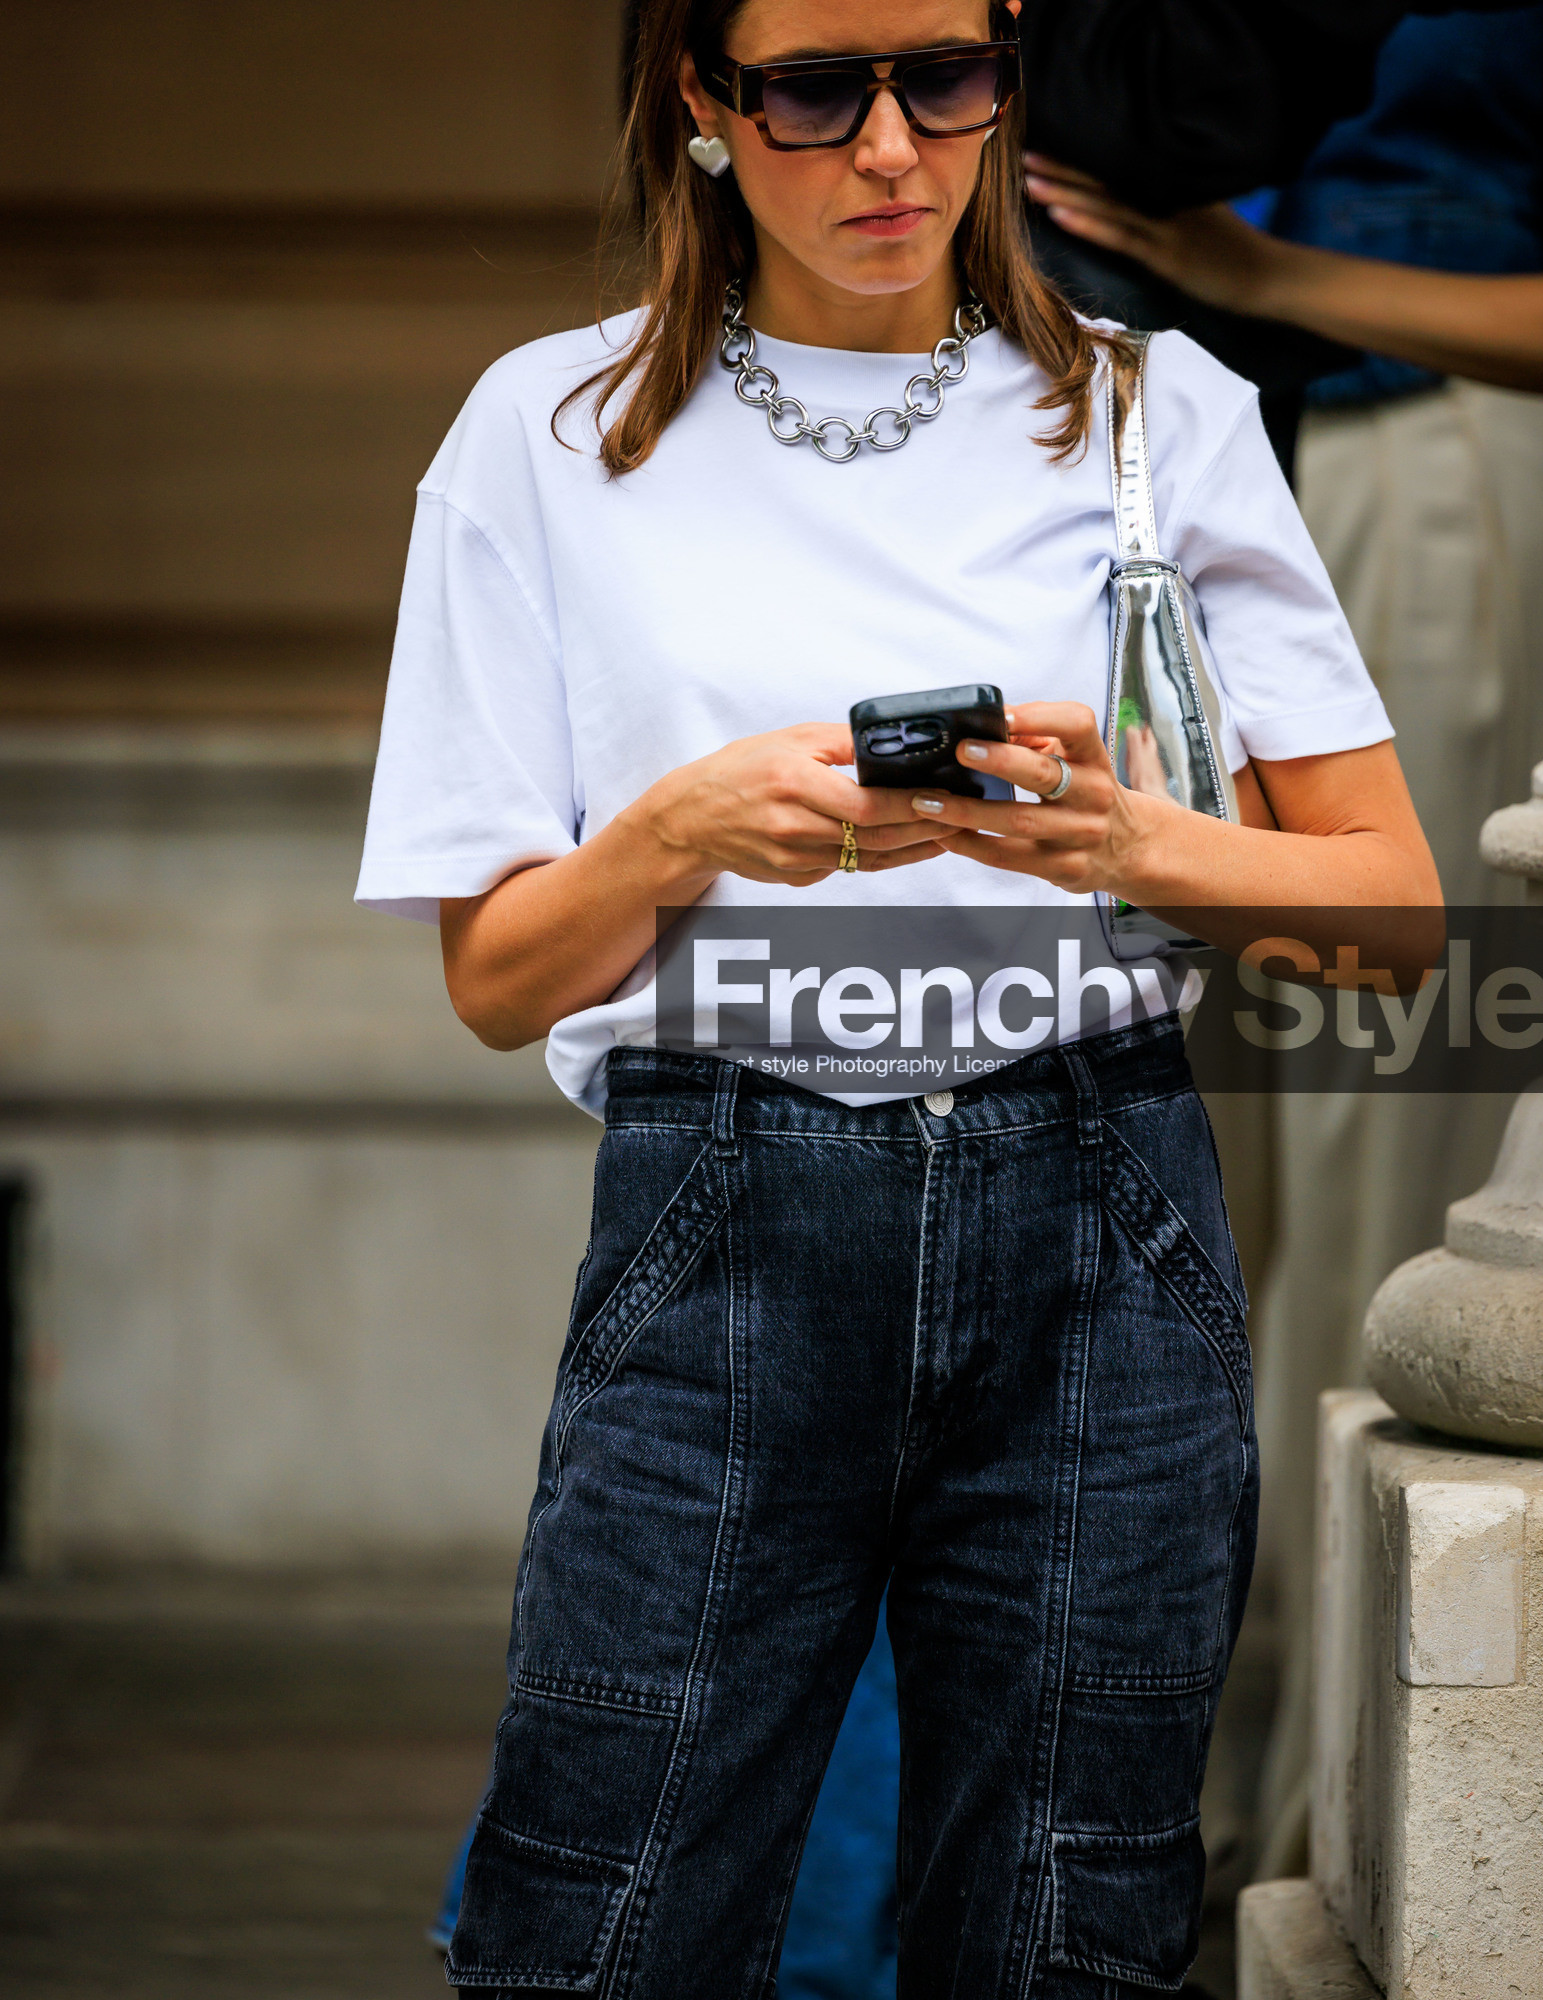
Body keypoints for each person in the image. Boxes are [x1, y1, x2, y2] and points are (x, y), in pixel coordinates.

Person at [356, 2, 1440, 1991]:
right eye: (809, 89)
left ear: (1005, 80)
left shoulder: (1149, 409)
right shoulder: (547, 428)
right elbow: (499, 979)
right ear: (698, 97)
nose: (885, 149)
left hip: (1095, 1204)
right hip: (728, 1207)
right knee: (603, 1907)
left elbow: (1387, 912)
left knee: (1064, 1915)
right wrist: (676, 830)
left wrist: (1127, 844)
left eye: (943, 78)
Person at [1023, 0, 1543, 1873]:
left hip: (1401, 458)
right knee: (1152, 1193)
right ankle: (1126, 1815)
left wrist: (1267, 270)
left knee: (1377, 1185)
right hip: (1108, 487)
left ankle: (1334, 1832)